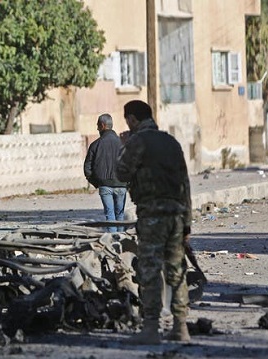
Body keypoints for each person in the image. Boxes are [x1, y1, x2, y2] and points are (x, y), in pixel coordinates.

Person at [116, 100, 192, 344]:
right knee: (176, 269)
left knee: (149, 269)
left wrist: (123, 146)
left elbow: (121, 172)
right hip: (177, 215)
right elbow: (185, 183)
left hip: (152, 214)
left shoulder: (138, 141)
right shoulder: (171, 142)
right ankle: (181, 327)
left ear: (132, 119)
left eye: (128, 119)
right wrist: (187, 222)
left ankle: (150, 328)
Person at [83, 113, 127, 232]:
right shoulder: (123, 144)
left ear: (103, 125)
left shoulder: (95, 145)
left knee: (110, 215)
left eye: (98, 126)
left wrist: (97, 183)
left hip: (105, 186)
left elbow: (87, 168)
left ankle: (113, 241)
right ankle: (122, 241)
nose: (97, 129)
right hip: (122, 186)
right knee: (120, 216)